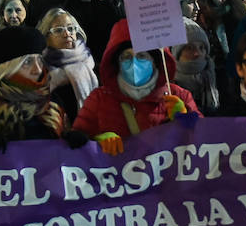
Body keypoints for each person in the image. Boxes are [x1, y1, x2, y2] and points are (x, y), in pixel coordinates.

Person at [73, 19, 200, 153]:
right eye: (126, 57)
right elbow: (76, 143)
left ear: (154, 61)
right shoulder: (99, 99)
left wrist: (186, 120)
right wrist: (96, 142)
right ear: (117, 63)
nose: (134, 63)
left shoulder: (179, 96)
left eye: (142, 56)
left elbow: (204, 141)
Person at [36, 8, 97, 121]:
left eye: (70, 28)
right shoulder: (39, 68)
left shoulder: (90, 62)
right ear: (46, 37)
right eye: (58, 30)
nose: (67, 34)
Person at [171, 21, 220, 115]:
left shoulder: (217, 77)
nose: (197, 53)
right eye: (189, 48)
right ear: (177, 53)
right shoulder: (168, 88)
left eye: (202, 48)